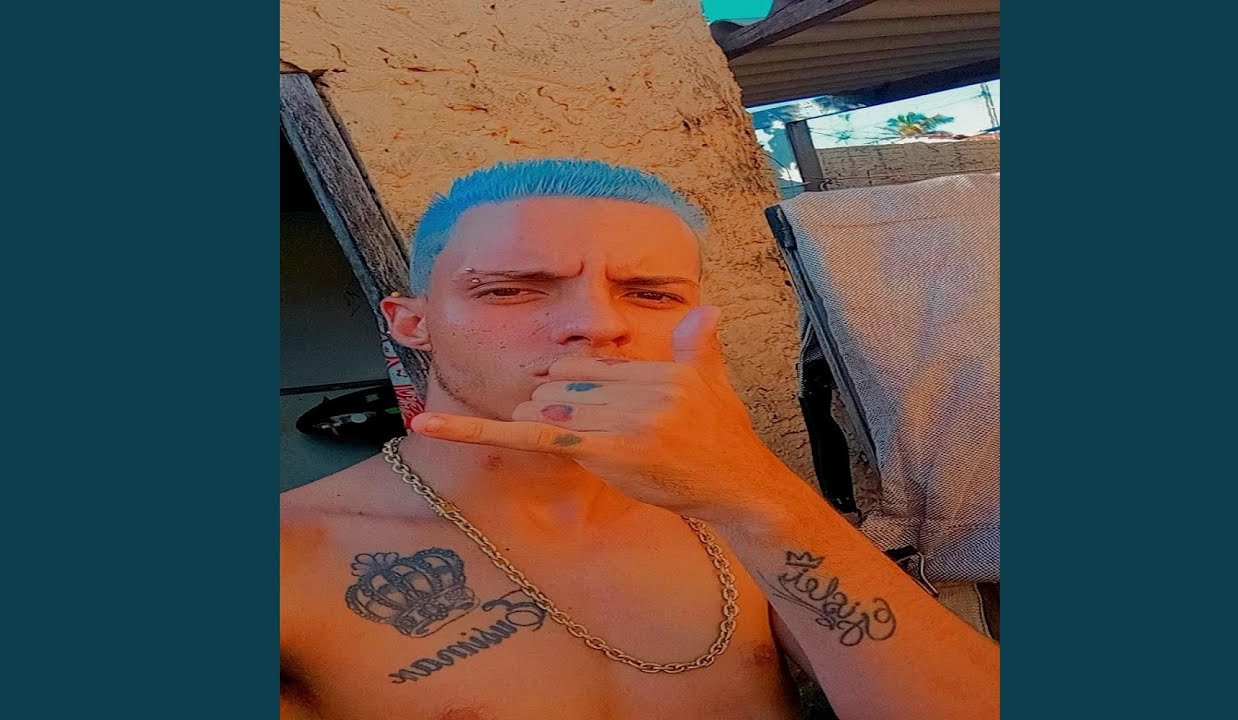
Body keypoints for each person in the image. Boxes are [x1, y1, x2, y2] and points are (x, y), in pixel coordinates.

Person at [280, 158, 999, 720]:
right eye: (511, 289)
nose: (597, 325)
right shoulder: (294, 556)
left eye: (652, 294)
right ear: (412, 324)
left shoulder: (736, 513)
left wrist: (758, 493)